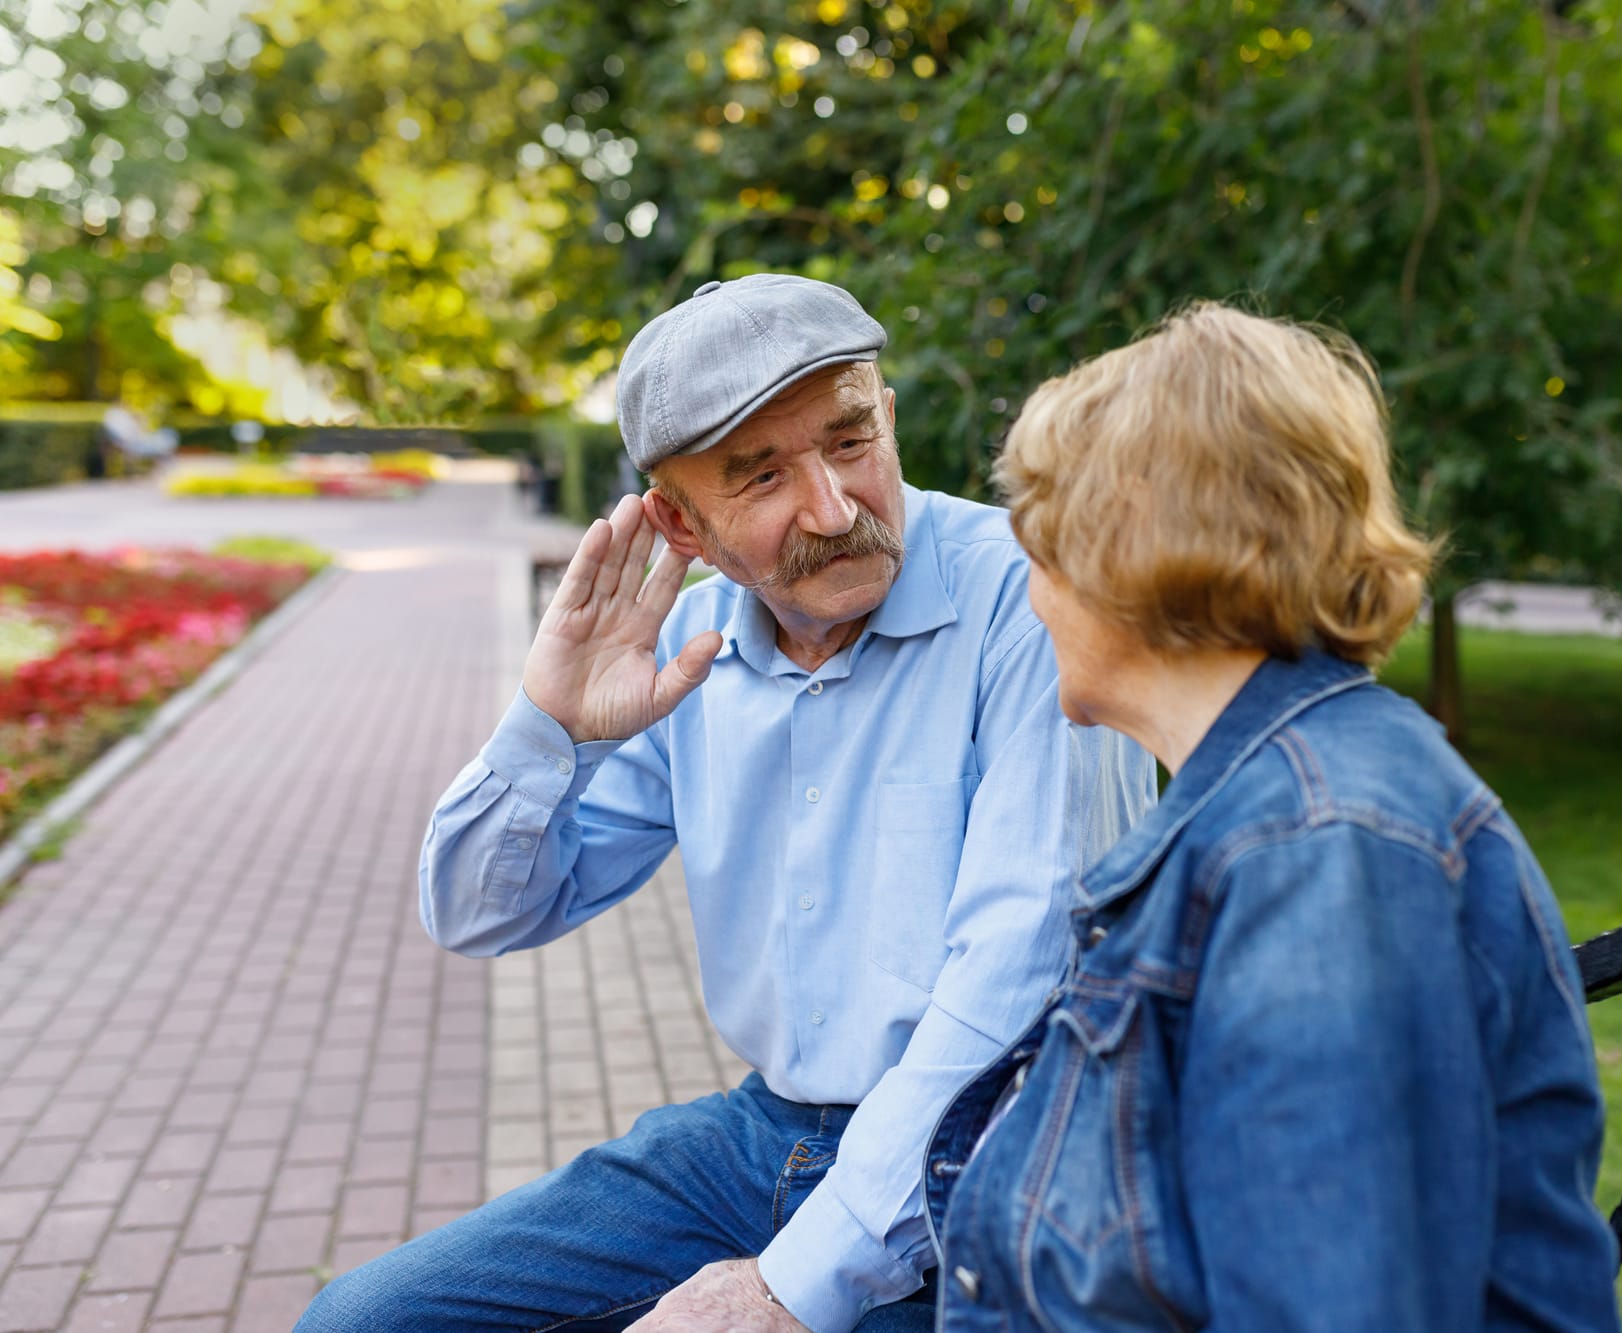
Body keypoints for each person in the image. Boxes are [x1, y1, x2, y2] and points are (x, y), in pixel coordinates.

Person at [295, 274, 1155, 1333]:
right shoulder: (684, 647)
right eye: (759, 477)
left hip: (991, 1163)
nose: (834, 510)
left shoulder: (1033, 604)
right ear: (680, 522)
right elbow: (482, 911)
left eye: (848, 442)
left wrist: (787, 1287)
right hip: (763, 1139)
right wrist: (549, 725)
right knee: (361, 1323)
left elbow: (1020, 992)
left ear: (885, 414)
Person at [920, 305, 1622, 1330]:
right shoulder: (1269, 807)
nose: (1028, 593)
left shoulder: (1318, 853)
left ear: (1125, 540)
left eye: (1038, 541)